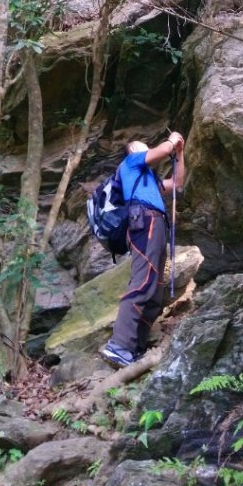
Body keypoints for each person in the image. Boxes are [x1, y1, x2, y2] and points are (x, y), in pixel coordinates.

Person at [99, 130, 185, 368]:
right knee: (143, 280)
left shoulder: (148, 178)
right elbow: (162, 150)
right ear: (134, 151)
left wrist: (180, 152)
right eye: (142, 146)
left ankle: (134, 347)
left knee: (154, 290)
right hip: (144, 221)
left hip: (156, 223)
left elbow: (177, 183)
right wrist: (171, 141)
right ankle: (118, 345)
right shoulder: (131, 162)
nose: (146, 148)